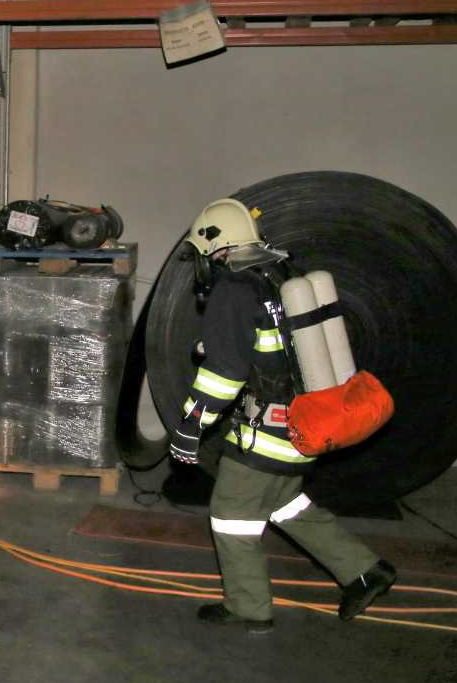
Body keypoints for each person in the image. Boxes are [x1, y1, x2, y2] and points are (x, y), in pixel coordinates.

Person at [168, 197, 396, 633]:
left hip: (269, 431)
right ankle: (365, 571)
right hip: (308, 419)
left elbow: (225, 374)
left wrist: (191, 425)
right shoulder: (280, 271)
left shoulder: (234, 289)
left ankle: (248, 607)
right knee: (284, 503)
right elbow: (272, 344)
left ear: (216, 246)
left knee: (231, 512)